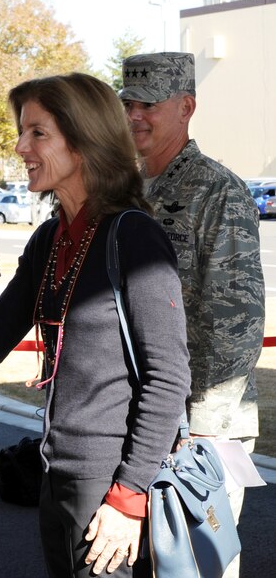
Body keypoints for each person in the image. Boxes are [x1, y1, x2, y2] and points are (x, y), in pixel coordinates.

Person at [0, 73, 193, 577]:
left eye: (37, 133)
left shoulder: (134, 236)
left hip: (113, 484)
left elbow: (168, 377)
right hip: (57, 471)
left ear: (84, 141)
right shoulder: (50, 238)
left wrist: (129, 496)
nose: (21, 147)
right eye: (22, 132)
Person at [120, 52, 265, 578]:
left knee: (196, 564)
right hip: (143, 413)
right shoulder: (128, 189)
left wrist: (202, 425)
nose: (135, 115)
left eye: (149, 105)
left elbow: (237, 319)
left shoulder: (217, 191)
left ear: (186, 107)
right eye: (128, 104)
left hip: (199, 425)